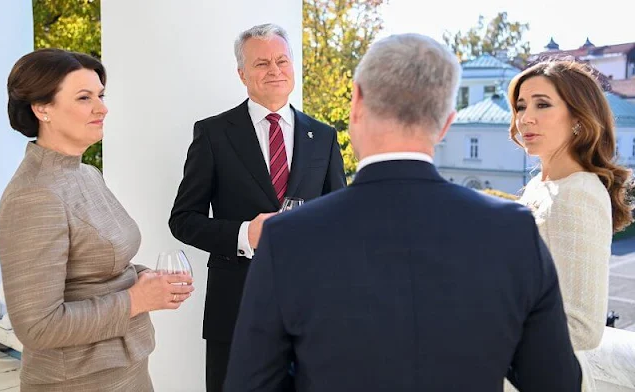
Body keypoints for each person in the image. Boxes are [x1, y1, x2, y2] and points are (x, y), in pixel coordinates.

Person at [224, 33, 582, 392]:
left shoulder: (287, 238)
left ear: (357, 103)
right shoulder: (513, 232)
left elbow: (250, 385)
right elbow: (558, 383)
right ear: (446, 123)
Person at [0, 48, 194, 392]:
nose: (102, 108)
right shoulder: (33, 196)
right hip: (78, 382)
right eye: (84, 97)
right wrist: (137, 299)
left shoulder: (86, 174)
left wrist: (149, 278)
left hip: (128, 369)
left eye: (100, 95)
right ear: (42, 109)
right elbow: (38, 327)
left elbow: (100, 264)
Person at [168, 23, 346, 391]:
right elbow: (183, 219)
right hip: (234, 310)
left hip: (309, 311)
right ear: (242, 74)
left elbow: (338, 221)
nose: (275, 70)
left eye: (282, 60)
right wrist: (243, 235)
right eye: (262, 63)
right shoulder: (213, 134)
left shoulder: (324, 137)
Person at [507, 59, 633, 391]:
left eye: (542, 104)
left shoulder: (579, 193)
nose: (525, 118)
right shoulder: (540, 186)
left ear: (578, 118)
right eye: (521, 106)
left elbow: (581, 326)